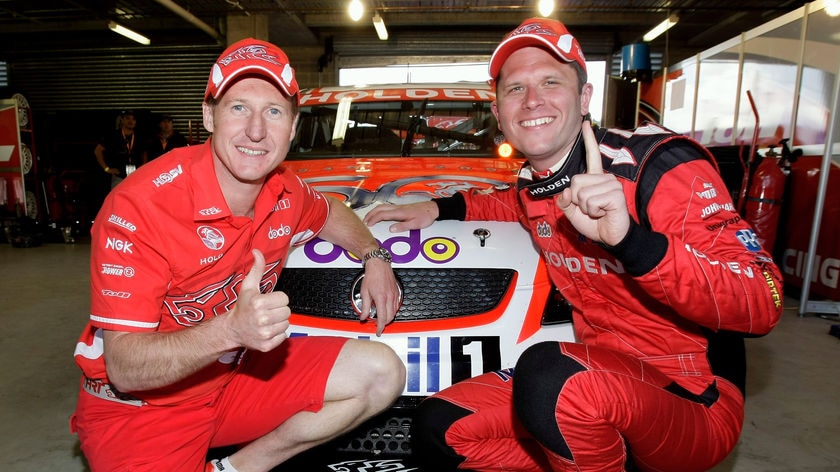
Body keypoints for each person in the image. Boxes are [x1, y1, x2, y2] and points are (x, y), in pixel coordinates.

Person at [364, 17, 783, 472]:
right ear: (499, 113)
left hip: (690, 396)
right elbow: (512, 205)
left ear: (584, 98)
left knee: (548, 376)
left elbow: (763, 302)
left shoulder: (657, 165)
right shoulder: (534, 184)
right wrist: (442, 209)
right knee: (440, 427)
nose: (532, 101)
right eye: (515, 89)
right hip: (597, 375)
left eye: (550, 82)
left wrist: (631, 241)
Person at [71, 38, 406, 472]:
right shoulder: (139, 207)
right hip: (141, 408)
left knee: (381, 372)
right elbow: (126, 368)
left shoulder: (284, 187)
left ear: (292, 125)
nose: (256, 130)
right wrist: (230, 330)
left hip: (233, 383)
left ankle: (237, 468)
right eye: (238, 108)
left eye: (273, 111)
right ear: (209, 115)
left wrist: (374, 255)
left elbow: (330, 211)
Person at [94, 109, 144, 190]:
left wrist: (142, 168)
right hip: (119, 176)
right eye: (127, 118)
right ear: (122, 120)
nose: (130, 121)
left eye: (133, 119)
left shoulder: (139, 136)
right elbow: (97, 151)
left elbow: (144, 152)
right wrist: (106, 168)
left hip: (136, 175)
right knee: (117, 199)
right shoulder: (113, 135)